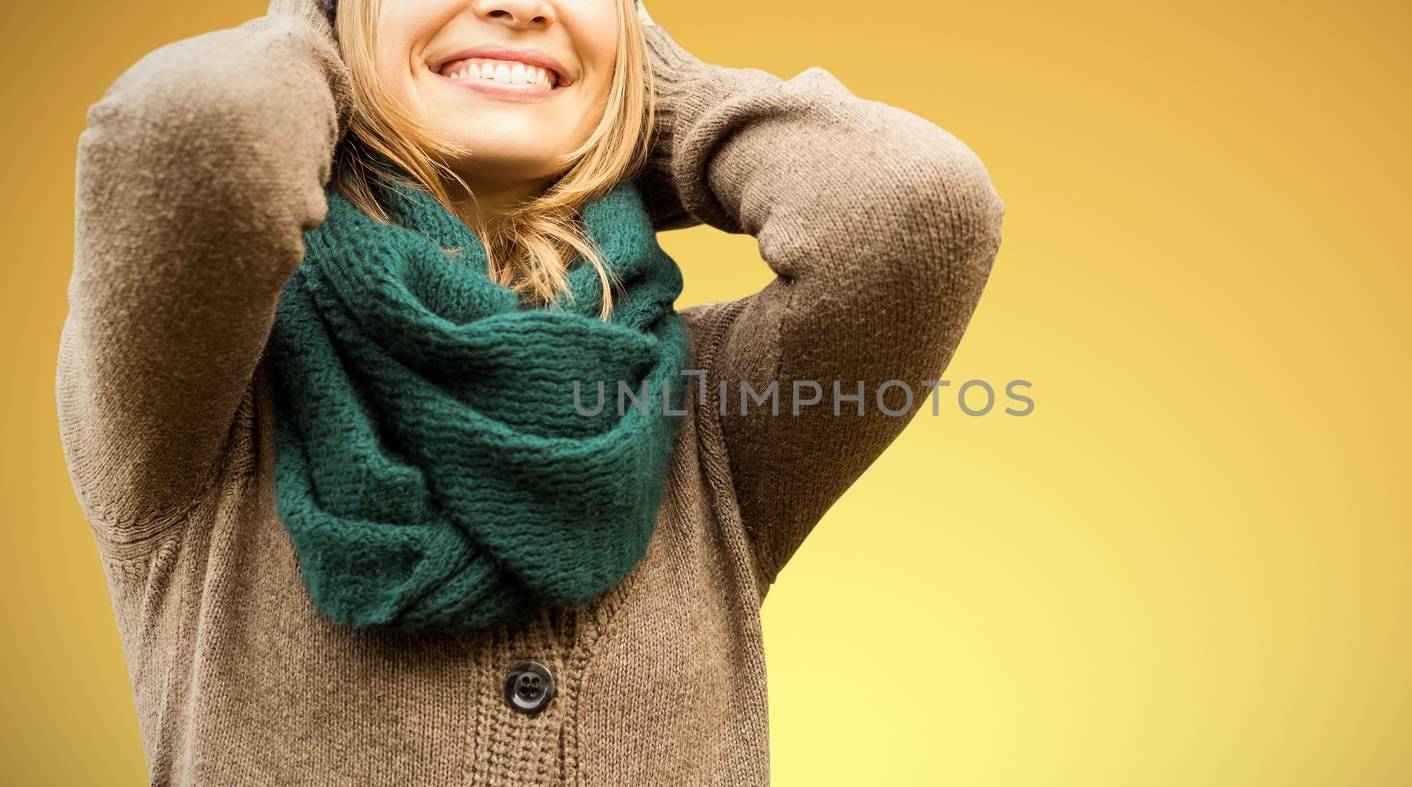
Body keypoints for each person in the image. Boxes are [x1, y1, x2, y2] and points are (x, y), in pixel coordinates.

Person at [55, 0, 1005, 782]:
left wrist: (645, 102)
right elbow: (200, 132)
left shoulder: (698, 410)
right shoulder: (204, 379)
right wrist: (330, 31)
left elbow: (915, 207)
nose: (517, 4)